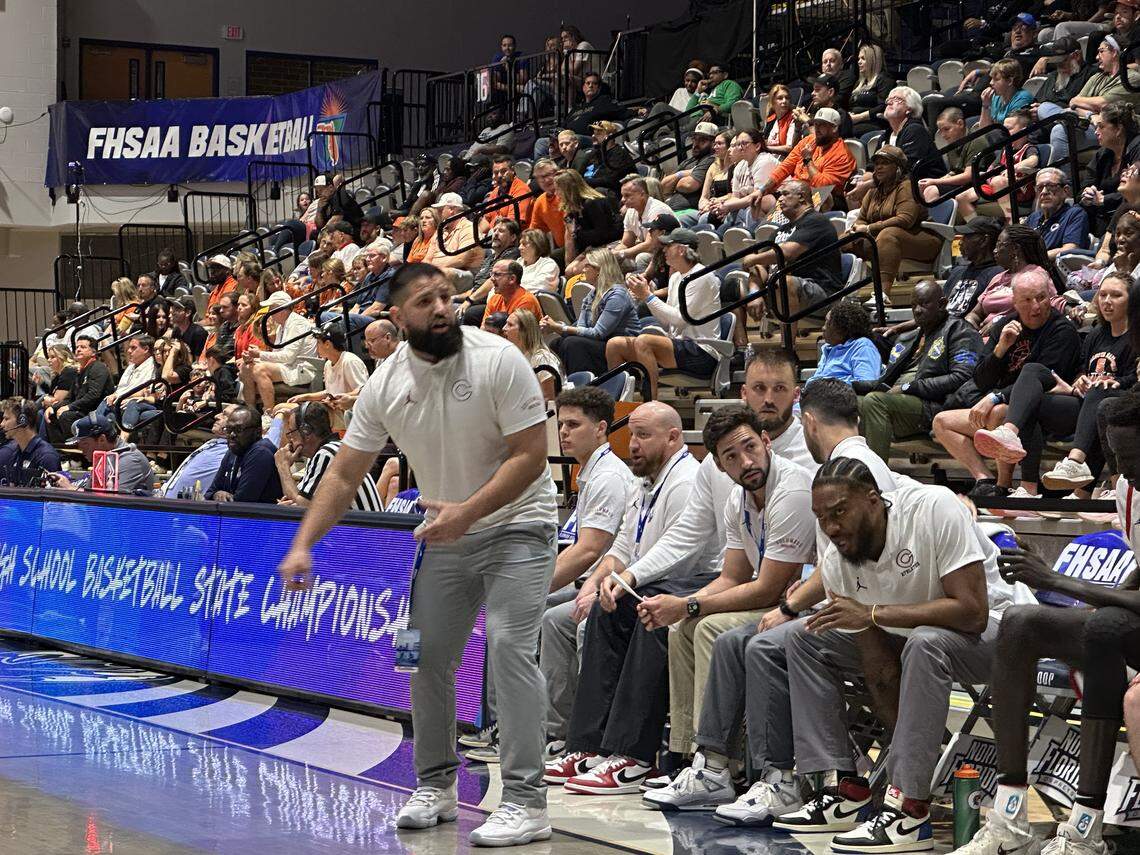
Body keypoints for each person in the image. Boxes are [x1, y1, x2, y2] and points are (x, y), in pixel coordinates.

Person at [276, 262, 558, 847]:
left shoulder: (498, 359)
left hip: (519, 526)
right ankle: (436, 784)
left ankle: (528, 801)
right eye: (425, 300)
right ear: (398, 317)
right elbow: (346, 472)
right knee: (420, 654)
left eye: (447, 297)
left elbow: (531, 456)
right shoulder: (384, 384)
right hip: (445, 535)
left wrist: (467, 513)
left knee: (508, 644)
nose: (441, 308)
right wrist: (303, 543)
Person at [769, 459, 1031, 852]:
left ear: (873, 501)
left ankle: (910, 811)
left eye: (839, 511)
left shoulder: (933, 508)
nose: (831, 527)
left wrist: (874, 614)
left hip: (1001, 630)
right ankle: (846, 786)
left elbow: (972, 613)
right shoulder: (838, 557)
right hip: (911, 637)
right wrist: (909, 746)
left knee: (927, 642)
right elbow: (879, 670)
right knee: (806, 637)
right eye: (821, 517)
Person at [950, 393, 1140, 855]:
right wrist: (1079, 594)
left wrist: (1059, 581)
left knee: (1106, 629)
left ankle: (1085, 827)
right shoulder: (1128, 488)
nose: (1127, 468)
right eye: (1117, 456)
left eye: (1135, 456)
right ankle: (1012, 817)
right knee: (1019, 622)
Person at [636, 404, 816, 812]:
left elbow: (769, 588)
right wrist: (684, 609)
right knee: (682, 628)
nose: (746, 462)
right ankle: (691, 757)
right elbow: (733, 576)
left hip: (804, 606)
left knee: (710, 628)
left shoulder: (792, 491)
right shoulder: (738, 500)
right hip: (776, 602)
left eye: (750, 447)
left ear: (766, 441)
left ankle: (717, 764)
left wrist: (690, 603)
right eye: (731, 457)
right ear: (719, 465)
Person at [544, 402, 710, 795]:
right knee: (607, 609)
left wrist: (626, 578)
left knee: (646, 613)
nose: (633, 444)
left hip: (691, 581)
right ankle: (588, 745)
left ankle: (635, 755)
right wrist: (601, 582)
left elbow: (680, 549)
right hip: (649, 580)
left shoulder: (687, 481)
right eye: (632, 435)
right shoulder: (644, 480)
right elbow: (622, 544)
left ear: (673, 437)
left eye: (643, 436)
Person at [972, 274, 1135, 504]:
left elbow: (1135, 379)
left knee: (1100, 397)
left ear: (1133, 300)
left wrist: (1116, 383)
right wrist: (1079, 381)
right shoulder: (1096, 334)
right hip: (1085, 404)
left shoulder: (1136, 336)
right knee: (1032, 385)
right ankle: (1023, 474)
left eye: (1116, 295)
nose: (1107, 301)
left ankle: (1077, 467)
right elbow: (1082, 369)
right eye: (1103, 295)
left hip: (1119, 406)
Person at [539, 387, 637, 759]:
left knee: (541, 615)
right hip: (592, 582)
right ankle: (539, 725)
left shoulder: (608, 476)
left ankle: (561, 734)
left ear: (600, 429)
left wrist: (534, 587)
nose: (564, 432)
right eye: (561, 424)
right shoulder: (589, 472)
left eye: (574, 425)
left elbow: (590, 550)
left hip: (610, 584)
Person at [932, 268, 1082, 502]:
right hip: (996, 409)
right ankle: (984, 479)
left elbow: (1044, 381)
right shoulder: (1005, 325)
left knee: (999, 412)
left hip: (1036, 411)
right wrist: (1000, 349)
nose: (1036, 306)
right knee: (942, 422)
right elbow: (981, 379)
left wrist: (995, 397)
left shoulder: (1062, 331)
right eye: (1027, 300)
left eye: (1041, 298)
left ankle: (1003, 486)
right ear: (1015, 301)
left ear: (1050, 297)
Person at [857, 280, 984, 461]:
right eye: (914, 305)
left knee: (874, 401)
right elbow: (885, 381)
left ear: (942, 304)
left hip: (932, 407)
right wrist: (849, 386)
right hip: (896, 400)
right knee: (846, 401)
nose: (917, 310)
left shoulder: (960, 331)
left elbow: (962, 377)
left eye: (924, 304)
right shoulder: (910, 336)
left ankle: (875, 476)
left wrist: (909, 387)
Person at [609, 229, 722, 398]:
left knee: (644, 342)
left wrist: (647, 296)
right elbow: (667, 321)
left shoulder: (701, 276)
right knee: (615, 345)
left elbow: (679, 320)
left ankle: (650, 403)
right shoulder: (676, 277)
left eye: (668, 246)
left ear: (681, 249)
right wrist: (643, 297)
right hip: (679, 345)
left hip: (702, 351)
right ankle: (619, 404)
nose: (663, 250)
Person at [848, 145, 943, 302]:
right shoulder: (874, 191)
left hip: (922, 240)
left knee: (888, 234)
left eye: (884, 163)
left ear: (898, 167)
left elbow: (905, 219)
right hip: (887, 240)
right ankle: (841, 293)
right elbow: (862, 217)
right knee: (846, 240)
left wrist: (870, 228)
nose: (878, 167)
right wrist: (858, 228)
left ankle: (882, 295)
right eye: (877, 163)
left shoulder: (906, 186)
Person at [743, 179, 845, 322]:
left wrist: (753, 258)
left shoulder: (817, 221)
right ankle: (742, 344)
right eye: (779, 195)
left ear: (802, 197)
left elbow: (787, 253)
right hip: (779, 287)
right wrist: (755, 293)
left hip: (822, 292)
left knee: (784, 282)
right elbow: (759, 267)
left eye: (785, 194)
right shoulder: (780, 231)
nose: (780, 199)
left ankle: (788, 344)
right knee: (737, 287)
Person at [543, 248, 641, 375]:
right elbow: (581, 328)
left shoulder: (617, 295)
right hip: (603, 343)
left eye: (587, 266)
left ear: (599, 270)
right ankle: (567, 385)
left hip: (621, 348)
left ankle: (584, 386)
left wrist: (562, 328)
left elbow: (598, 333)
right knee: (557, 343)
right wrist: (557, 329)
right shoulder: (591, 295)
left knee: (572, 344)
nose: (583, 270)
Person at [275, 402, 381, 510]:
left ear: (306, 432)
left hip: (360, 526)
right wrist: (292, 501)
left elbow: (302, 508)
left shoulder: (326, 454)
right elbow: (304, 501)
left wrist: (283, 466)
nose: (290, 439)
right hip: (357, 525)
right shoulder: (335, 449)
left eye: (292, 433)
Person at [757, 109, 856, 212]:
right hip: (796, 193)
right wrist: (762, 189)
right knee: (761, 200)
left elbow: (822, 187)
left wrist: (808, 160)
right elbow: (785, 166)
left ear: (834, 128)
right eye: (815, 124)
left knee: (789, 204)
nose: (817, 128)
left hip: (821, 199)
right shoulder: (808, 141)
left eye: (822, 124)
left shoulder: (842, 155)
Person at [239, 291, 317, 411]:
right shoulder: (281, 326)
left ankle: (269, 413)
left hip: (301, 369)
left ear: (281, 309)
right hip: (288, 366)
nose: (270, 312)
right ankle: (251, 412)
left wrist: (260, 354)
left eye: (272, 308)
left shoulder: (297, 323)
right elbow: (277, 355)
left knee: (260, 369)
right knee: (246, 367)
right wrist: (254, 358)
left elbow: (288, 357)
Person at [51, 414, 154, 496]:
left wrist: (71, 488)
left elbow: (113, 503)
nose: (81, 450)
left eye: (85, 444)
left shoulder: (130, 459)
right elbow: (90, 493)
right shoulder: (103, 457)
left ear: (102, 439)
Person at [203, 405, 283, 504]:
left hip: (260, 518)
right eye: (228, 429)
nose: (232, 435)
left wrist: (220, 495)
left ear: (258, 432)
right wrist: (217, 494)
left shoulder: (261, 452)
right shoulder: (233, 450)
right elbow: (209, 493)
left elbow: (242, 503)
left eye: (238, 430)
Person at [1081, 101, 1140, 231]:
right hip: (1100, 217)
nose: (1096, 132)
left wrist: (1104, 199)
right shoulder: (1102, 153)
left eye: (1101, 127)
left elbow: (1136, 192)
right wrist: (1088, 194)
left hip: (1130, 218)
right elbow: (1087, 184)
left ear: (1118, 129)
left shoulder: (1138, 148)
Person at [920, 108, 993, 205]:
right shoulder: (953, 144)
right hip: (964, 183)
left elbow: (968, 176)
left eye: (946, 129)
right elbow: (954, 172)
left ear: (960, 124)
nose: (943, 135)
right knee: (924, 188)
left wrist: (936, 181)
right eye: (940, 131)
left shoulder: (976, 141)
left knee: (932, 191)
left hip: (979, 183)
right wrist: (931, 182)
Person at [49, 335, 114, 441]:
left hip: (95, 410)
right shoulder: (81, 371)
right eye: (77, 347)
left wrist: (70, 407)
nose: (78, 350)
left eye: (83, 347)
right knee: (50, 414)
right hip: (81, 408)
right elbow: (69, 397)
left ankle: (77, 446)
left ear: (93, 352)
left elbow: (93, 396)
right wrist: (54, 407)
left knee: (66, 415)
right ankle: (59, 449)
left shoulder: (98, 367)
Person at [459, 219, 522, 325]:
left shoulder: (512, 254)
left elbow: (493, 281)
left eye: (501, 231)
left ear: (513, 237)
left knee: (468, 313)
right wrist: (456, 297)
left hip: (492, 302)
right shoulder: (490, 258)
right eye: (495, 230)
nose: (496, 233)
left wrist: (469, 300)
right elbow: (477, 287)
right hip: (475, 300)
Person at [557, 169, 622, 271]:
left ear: (568, 189)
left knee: (576, 270)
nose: (557, 194)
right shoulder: (574, 209)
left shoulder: (592, 203)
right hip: (593, 247)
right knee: (568, 270)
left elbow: (603, 234)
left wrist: (576, 233)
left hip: (610, 244)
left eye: (558, 190)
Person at [288, 327, 369, 406]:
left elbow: (362, 391)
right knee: (281, 408)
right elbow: (329, 392)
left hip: (347, 412)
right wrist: (305, 397)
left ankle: (277, 420)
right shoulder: (328, 364)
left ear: (327, 344)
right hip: (331, 407)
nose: (316, 347)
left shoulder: (350, 361)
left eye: (318, 343)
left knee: (285, 411)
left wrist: (334, 398)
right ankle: (277, 420)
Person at [809, 301, 882, 385]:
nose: (823, 328)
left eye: (827, 323)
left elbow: (866, 383)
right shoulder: (828, 349)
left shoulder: (863, 346)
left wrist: (829, 387)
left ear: (840, 329)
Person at [1025, 167, 1091, 258]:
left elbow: (1070, 249)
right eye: (1040, 187)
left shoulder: (1075, 214)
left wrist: (1035, 260)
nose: (1044, 192)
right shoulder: (1033, 218)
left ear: (1066, 190)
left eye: (1051, 186)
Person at [96, 334, 158, 423]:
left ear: (146, 349)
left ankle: (92, 430)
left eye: (133, 348)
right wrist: (115, 395)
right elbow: (121, 388)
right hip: (121, 401)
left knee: (106, 411)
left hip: (138, 403)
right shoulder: (131, 365)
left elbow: (145, 391)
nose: (129, 351)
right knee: (109, 413)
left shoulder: (152, 366)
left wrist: (120, 396)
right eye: (129, 347)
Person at [614, 177, 675, 269]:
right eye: (622, 196)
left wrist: (621, 253)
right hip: (653, 254)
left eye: (627, 195)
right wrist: (611, 254)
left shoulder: (657, 209)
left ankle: (647, 283)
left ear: (642, 194)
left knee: (641, 257)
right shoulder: (631, 211)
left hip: (669, 253)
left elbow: (650, 245)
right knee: (612, 260)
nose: (622, 199)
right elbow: (626, 243)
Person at [503, 309, 563, 399]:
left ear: (524, 332)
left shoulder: (541, 358)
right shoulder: (515, 357)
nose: (504, 328)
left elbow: (549, 398)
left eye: (510, 325)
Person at [0, 398, 61, 486]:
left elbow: (51, 497)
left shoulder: (46, 457)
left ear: (22, 421)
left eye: (6, 419)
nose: (2, 424)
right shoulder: (16, 454)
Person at [661, 122, 719, 211]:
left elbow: (689, 185)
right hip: (671, 207)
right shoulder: (689, 161)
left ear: (713, 143)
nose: (696, 144)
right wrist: (682, 174)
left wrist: (674, 182)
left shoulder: (710, 160)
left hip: (688, 210)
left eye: (702, 140)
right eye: (695, 139)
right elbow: (664, 185)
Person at [848, 44, 894, 138]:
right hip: (856, 123)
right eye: (858, 59)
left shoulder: (884, 79)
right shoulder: (860, 83)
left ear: (873, 60)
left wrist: (858, 117)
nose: (859, 62)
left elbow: (882, 106)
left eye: (863, 59)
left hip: (874, 123)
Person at [580, 121, 636, 196]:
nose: (593, 136)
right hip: (590, 190)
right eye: (593, 133)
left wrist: (583, 182)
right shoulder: (594, 154)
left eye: (598, 133)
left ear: (610, 136)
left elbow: (610, 181)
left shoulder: (619, 154)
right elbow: (580, 174)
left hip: (614, 194)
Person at [482, 156, 535, 231]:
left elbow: (512, 225)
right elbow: (486, 219)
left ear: (512, 170)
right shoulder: (495, 191)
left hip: (516, 236)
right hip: (495, 235)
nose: (500, 175)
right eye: (496, 173)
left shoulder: (521, 189)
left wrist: (492, 230)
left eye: (503, 171)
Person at [979, 58, 1034, 128]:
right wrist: (985, 105)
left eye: (996, 79)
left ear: (1010, 81)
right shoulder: (996, 97)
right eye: (991, 79)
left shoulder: (1022, 98)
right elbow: (984, 130)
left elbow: (1013, 130)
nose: (991, 83)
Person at [526, 159, 566, 250]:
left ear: (558, 173)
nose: (546, 180)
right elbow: (535, 232)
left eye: (548, 175)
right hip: (563, 248)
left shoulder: (567, 192)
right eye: (541, 177)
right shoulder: (540, 201)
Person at [763, 85, 804, 159]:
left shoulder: (793, 118)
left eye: (787, 98)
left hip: (786, 160)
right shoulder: (771, 119)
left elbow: (790, 148)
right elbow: (766, 140)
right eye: (780, 98)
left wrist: (766, 148)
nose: (784, 101)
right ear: (772, 102)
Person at [518, 229, 560, 293]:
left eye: (524, 244)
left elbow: (540, 287)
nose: (520, 247)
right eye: (520, 244)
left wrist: (512, 290)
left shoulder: (549, 265)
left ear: (537, 245)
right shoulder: (519, 262)